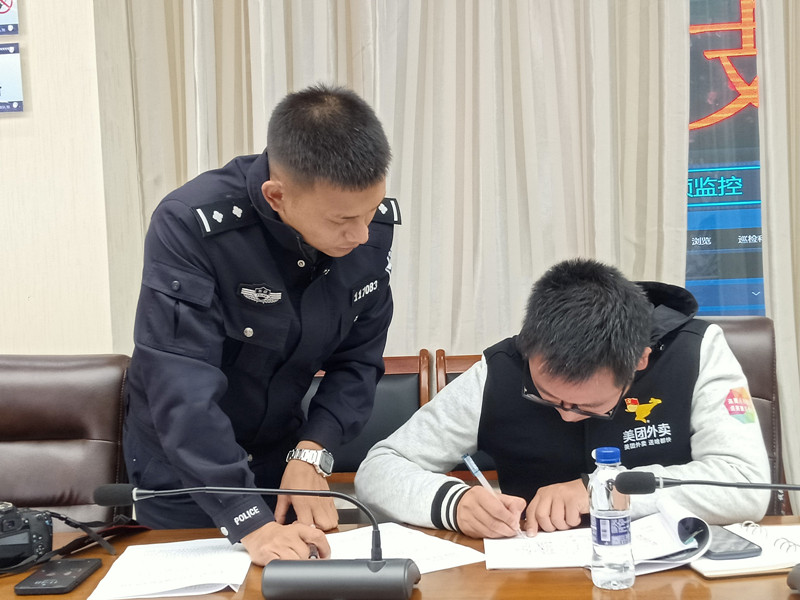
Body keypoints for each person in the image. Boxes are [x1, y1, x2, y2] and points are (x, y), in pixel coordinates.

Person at [123, 84, 399, 565]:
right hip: (187, 474)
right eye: (342, 220)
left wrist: (312, 451)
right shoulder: (191, 227)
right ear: (277, 196)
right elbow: (182, 389)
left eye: (371, 211)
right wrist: (247, 518)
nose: (361, 234)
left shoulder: (364, 228)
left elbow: (358, 361)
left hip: (281, 463)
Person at [354, 258, 771, 539]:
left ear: (639, 361)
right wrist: (454, 503)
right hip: (532, 576)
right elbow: (379, 468)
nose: (569, 417)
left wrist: (605, 490)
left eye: (590, 406)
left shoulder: (696, 352)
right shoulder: (499, 371)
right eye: (548, 398)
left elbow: (747, 485)